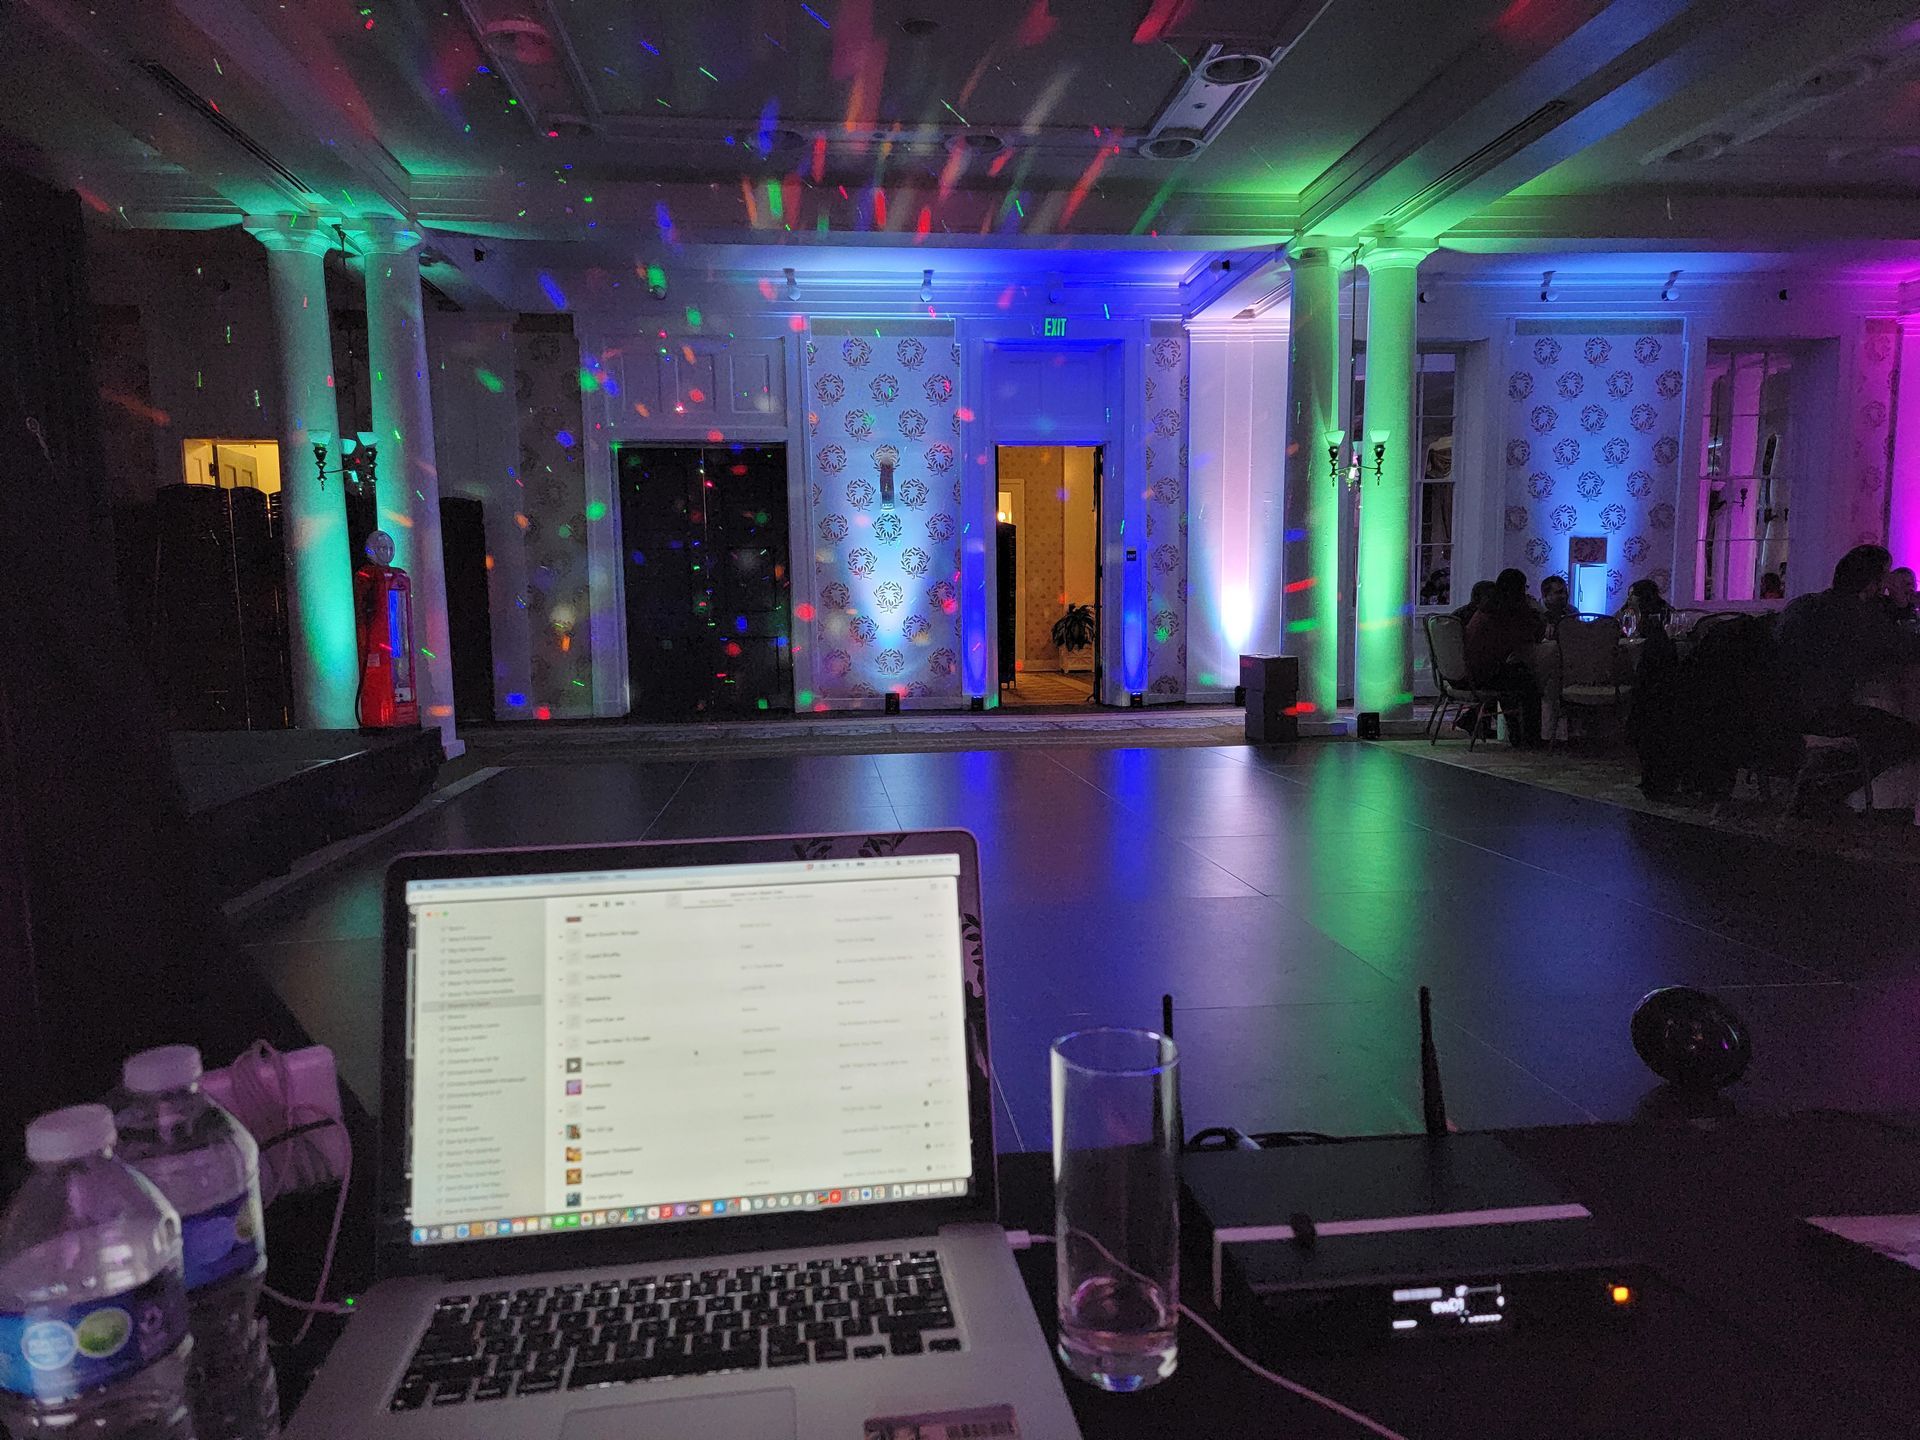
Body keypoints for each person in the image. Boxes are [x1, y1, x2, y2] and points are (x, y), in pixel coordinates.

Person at [1775, 543, 1920, 797]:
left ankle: (1817, 785)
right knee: (1908, 737)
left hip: (1781, 706)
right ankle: (1824, 790)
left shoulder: (1805, 604)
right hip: (1824, 711)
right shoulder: (1859, 617)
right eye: (1884, 578)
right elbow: (1904, 647)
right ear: (1873, 584)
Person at [1465, 568, 1547, 746]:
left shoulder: (1488, 607)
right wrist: (1537, 611)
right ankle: (1530, 737)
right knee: (1528, 682)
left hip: (1471, 671)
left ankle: (1514, 733)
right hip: (1486, 673)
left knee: (1516, 674)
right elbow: (1532, 636)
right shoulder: (1507, 611)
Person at [1885, 566, 1920, 633]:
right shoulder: (1881, 607)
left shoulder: (1916, 604)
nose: (1910, 588)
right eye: (1903, 583)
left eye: (1912, 584)